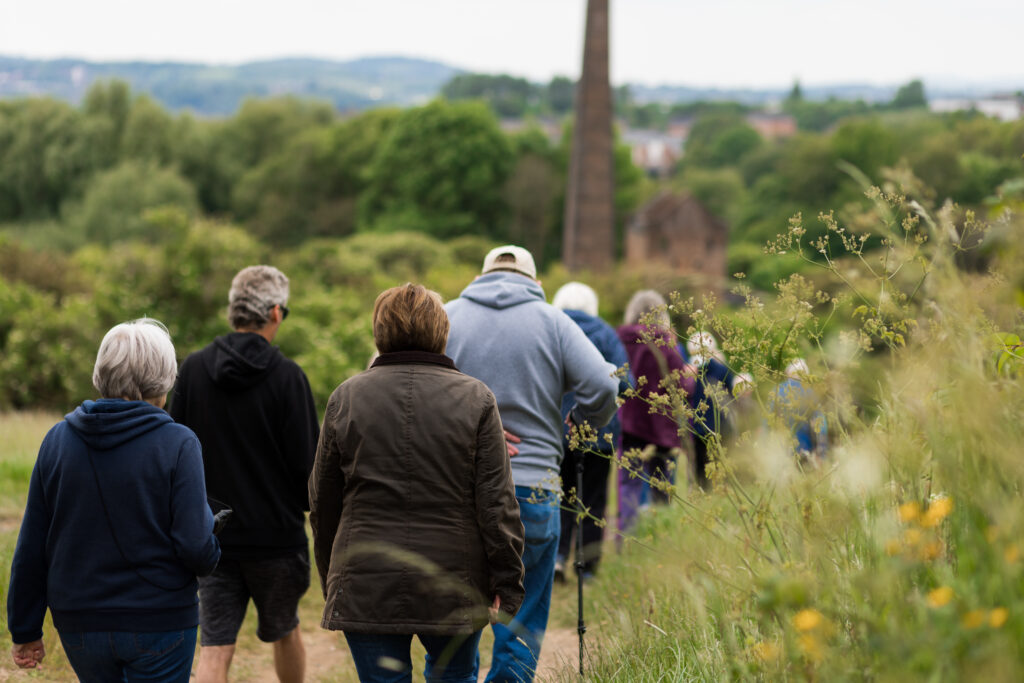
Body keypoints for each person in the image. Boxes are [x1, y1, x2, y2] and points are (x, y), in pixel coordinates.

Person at [309, 283, 525, 683]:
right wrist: (507, 582)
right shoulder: (477, 399)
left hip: (365, 574)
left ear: (379, 332)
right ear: (442, 331)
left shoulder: (346, 398)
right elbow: (497, 502)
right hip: (453, 581)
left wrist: (333, 578)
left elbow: (323, 503)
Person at [7, 318, 221, 681]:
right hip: (160, 621)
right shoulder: (178, 443)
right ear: (165, 377)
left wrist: (25, 629)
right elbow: (196, 548)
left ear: (101, 371)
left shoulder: (57, 440)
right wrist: (213, 540)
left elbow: (33, 543)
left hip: (80, 624)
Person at [444, 246, 619, 683]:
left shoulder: (447, 317)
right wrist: (578, 424)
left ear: (480, 277)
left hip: (456, 492)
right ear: (536, 283)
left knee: (454, 624)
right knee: (519, 629)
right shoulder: (554, 322)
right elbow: (603, 387)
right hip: (534, 487)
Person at [170, 265, 319, 683]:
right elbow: (309, 475)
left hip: (211, 537)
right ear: (274, 312)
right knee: (286, 631)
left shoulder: (194, 370)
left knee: (215, 646)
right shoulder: (289, 378)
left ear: (232, 312)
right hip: (276, 541)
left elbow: (172, 453)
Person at [551, 281, 631, 582]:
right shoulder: (606, 334)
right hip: (600, 433)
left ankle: (557, 558)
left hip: (556, 430)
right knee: (593, 500)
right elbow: (626, 383)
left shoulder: (550, 327)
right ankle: (586, 567)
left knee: (560, 496)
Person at [617, 290, 694, 535]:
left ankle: (627, 541)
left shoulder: (619, 340)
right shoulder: (666, 344)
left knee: (628, 485)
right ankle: (660, 541)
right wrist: (691, 379)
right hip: (661, 427)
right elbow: (681, 387)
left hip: (629, 424)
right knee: (662, 487)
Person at [686, 331, 737, 489]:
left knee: (702, 467)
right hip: (719, 426)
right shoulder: (722, 370)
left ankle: (705, 494)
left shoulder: (691, 370)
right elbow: (732, 395)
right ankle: (720, 494)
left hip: (700, 426)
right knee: (719, 464)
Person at [771, 358, 828, 463]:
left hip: (781, 451)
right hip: (805, 450)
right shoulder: (811, 393)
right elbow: (820, 425)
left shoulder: (777, 391)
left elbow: (768, 422)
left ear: (788, 373)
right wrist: (821, 454)